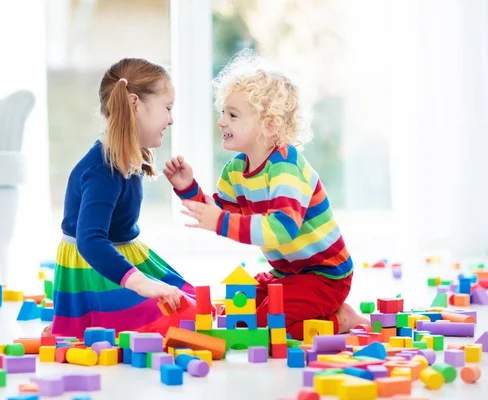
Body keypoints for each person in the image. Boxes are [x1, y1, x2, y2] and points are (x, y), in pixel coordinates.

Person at [164, 50, 369, 340]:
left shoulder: (286, 167)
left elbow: (282, 228)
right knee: (238, 311)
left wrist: (219, 219)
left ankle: (342, 318)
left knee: (266, 326)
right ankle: (313, 308)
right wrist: (187, 186)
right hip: (288, 273)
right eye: (223, 112)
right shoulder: (235, 170)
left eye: (232, 115)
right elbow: (218, 213)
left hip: (324, 275)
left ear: (269, 125)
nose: (221, 122)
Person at [44, 57, 197, 339]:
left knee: (193, 305)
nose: (172, 119)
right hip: (95, 267)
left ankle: (72, 323)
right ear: (135, 104)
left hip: (123, 255)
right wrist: (141, 283)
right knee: (177, 321)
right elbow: (90, 241)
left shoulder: (126, 155)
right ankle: (75, 322)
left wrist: (186, 188)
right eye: (167, 108)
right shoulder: (101, 169)